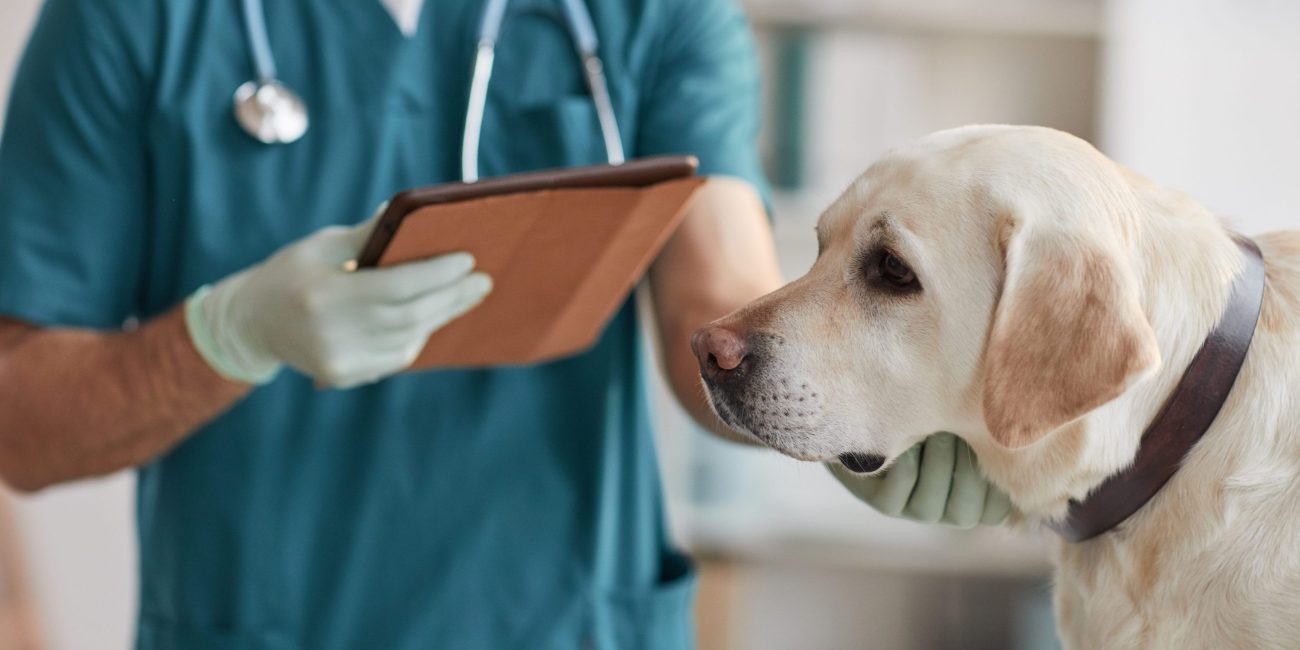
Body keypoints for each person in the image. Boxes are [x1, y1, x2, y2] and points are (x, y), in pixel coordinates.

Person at [0, 0, 783, 647]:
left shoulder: (660, 11)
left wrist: (857, 405)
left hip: (567, 622)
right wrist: (227, 336)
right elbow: (19, 421)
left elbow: (719, 308)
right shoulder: (125, 19)